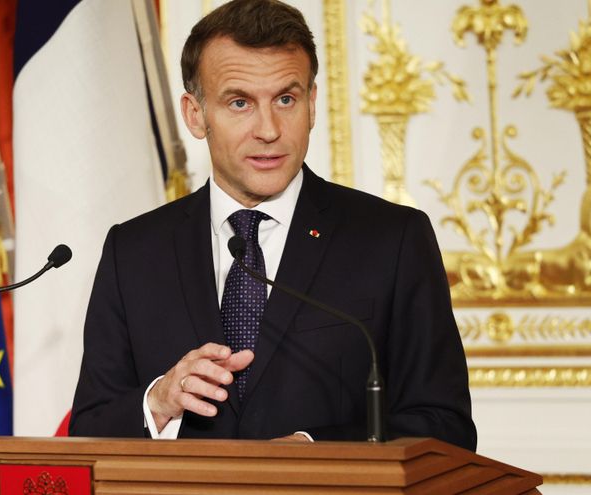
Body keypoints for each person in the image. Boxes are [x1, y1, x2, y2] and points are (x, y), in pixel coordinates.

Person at [69, 0, 476, 450]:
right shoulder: (134, 250)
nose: (269, 129)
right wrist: (159, 403)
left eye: (286, 98)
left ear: (312, 102)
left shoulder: (392, 239)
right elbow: (88, 431)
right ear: (195, 115)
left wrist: (313, 448)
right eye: (239, 102)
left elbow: (444, 424)